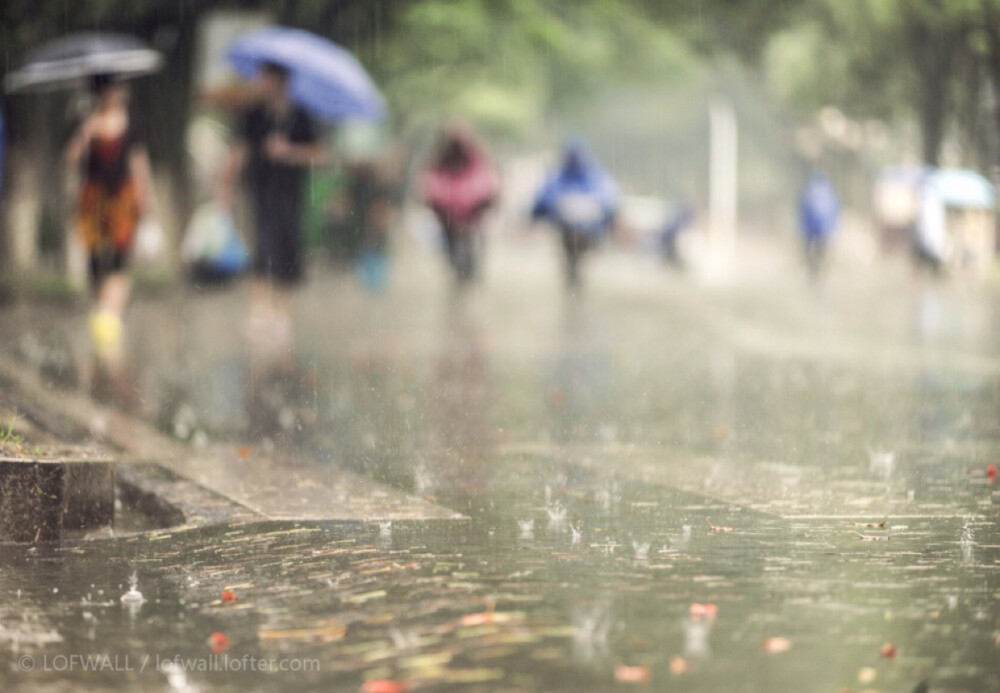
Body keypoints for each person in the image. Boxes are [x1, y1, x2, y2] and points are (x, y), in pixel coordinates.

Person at [217, 61, 324, 353]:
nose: (262, 83)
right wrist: (225, 187)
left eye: (267, 78)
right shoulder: (254, 115)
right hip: (260, 192)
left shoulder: (301, 116)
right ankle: (260, 312)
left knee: (287, 249)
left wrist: (289, 152)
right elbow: (239, 151)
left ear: (282, 81)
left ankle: (282, 314)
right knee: (262, 246)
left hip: (291, 194)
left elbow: (319, 153)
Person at [64, 74, 154, 361]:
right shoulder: (84, 120)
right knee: (94, 259)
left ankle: (110, 315)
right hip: (94, 200)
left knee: (119, 254)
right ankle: (101, 308)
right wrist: (86, 131)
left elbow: (138, 160)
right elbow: (71, 157)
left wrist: (146, 197)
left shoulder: (133, 121)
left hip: (123, 198)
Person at [531, 139, 619, 289]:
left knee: (577, 263)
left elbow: (609, 201)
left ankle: (575, 283)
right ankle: (573, 284)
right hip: (567, 231)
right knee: (570, 263)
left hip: (589, 232)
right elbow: (543, 200)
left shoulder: (595, 177)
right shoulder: (558, 176)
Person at [423, 123, 498, 284]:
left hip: (470, 212)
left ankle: (469, 272)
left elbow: (487, 182)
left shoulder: (474, 155)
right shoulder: (440, 157)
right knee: (452, 246)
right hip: (449, 213)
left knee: (472, 242)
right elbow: (430, 182)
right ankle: (458, 271)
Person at [797, 171, 840, 277]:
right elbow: (834, 211)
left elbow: (803, 211)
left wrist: (802, 229)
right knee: (821, 253)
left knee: (810, 253)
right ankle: (820, 271)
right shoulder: (829, 192)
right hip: (823, 229)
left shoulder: (809, 191)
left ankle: (814, 271)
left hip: (811, 229)